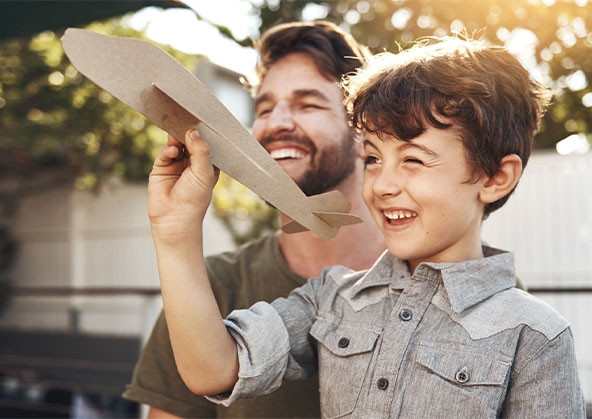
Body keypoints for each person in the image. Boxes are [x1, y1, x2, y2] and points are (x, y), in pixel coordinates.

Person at [149, 36, 586, 418]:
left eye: (413, 159)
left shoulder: (535, 335)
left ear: (495, 177)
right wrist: (176, 230)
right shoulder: (332, 298)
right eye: (373, 158)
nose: (382, 185)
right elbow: (212, 370)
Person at [122, 21, 386, 418]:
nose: (275, 123)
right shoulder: (206, 291)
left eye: (307, 103)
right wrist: (175, 231)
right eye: (264, 108)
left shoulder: (454, 280)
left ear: (363, 132)